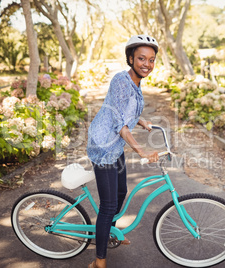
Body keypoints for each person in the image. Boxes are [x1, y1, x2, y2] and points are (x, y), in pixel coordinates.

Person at [86, 34, 160, 268]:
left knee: (120, 193)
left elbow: (126, 111)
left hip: (115, 145)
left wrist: (143, 122)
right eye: (141, 58)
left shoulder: (136, 83)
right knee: (108, 205)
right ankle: (99, 260)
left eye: (151, 59)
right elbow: (119, 123)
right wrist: (142, 151)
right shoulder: (121, 80)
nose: (146, 64)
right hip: (104, 144)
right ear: (130, 59)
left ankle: (110, 234)